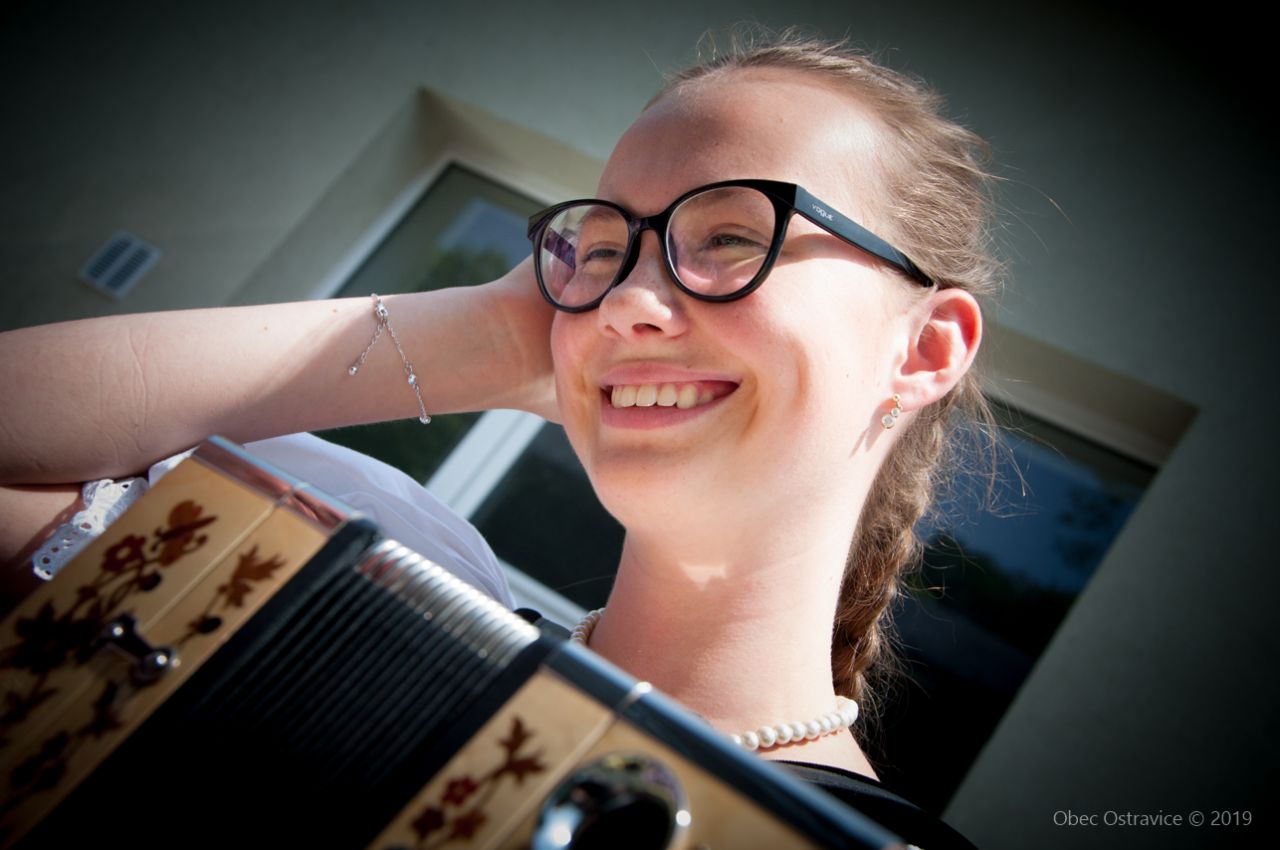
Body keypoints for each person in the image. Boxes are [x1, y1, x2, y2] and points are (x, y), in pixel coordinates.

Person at [0, 30, 995, 847]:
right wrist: (486, 337)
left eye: (732, 235)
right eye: (603, 249)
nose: (626, 300)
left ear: (924, 346)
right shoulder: (341, 610)